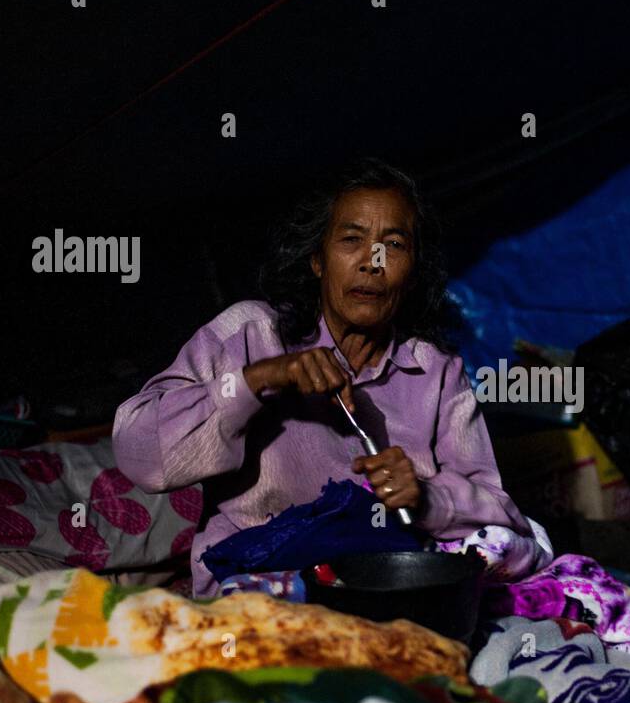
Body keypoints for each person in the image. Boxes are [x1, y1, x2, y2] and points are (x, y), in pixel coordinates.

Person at [113, 158, 535, 596]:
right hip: (258, 594)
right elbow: (140, 455)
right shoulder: (253, 333)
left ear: (413, 273)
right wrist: (258, 379)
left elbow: (500, 512)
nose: (372, 262)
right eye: (351, 239)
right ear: (317, 260)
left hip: (388, 590)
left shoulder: (436, 371)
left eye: (394, 244)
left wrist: (426, 496)